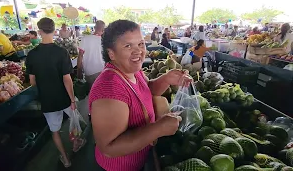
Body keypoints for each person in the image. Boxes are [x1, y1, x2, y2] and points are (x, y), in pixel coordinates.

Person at [89, 19, 192, 171]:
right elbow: (109, 148)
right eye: (128, 46)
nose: (138, 51)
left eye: (141, 43)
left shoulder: (132, 70)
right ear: (111, 53)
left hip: (139, 159)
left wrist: (166, 79)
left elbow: (146, 90)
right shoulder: (110, 88)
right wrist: (158, 128)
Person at [26, 18, 85, 168]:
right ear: (54, 31)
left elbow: (32, 82)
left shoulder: (32, 54)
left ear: (39, 31)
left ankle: (65, 159)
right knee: (74, 123)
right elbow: (67, 79)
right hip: (64, 97)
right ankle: (76, 142)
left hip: (47, 100)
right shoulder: (61, 52)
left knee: (55, 131)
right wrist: (72, 100)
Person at [77, 20, 106, 87]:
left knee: (92, 91)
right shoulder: (104, 41)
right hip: (102, 70)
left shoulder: (85, 38)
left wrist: (79, 71)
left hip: (89, 71)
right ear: (103, 29)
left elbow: (80, 55)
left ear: (94, 27)